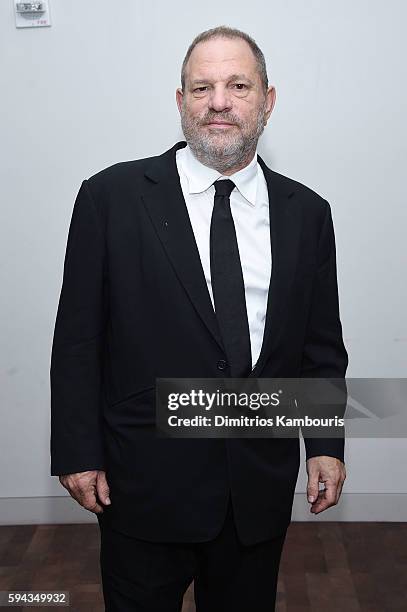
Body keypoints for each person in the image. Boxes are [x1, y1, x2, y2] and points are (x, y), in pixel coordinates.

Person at [50, 25, 347, 611]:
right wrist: (77, 450)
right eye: (201, 87)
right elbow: (79, 339)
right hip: (142, 485)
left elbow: (319, 346)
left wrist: (324, 443)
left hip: (255, 490)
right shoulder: (109, 197)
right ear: (180, 99)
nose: (219, 102)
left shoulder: (308, 213)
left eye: (239, 85)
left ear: (268, 100)